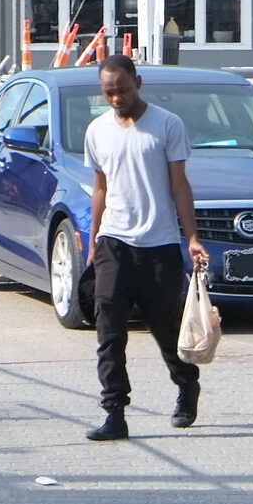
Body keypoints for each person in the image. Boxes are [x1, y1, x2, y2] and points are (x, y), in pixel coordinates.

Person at [83, 54, 208, 442]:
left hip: (159, 244)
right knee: (109, 333)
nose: (116, 98)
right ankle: (114, 412)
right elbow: (100, 188)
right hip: (113, 244)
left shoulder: (167, 125)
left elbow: (179, 186)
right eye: (109, 92)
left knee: (167, 329)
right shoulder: (97, 131)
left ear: (138, 82)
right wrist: (93, 241)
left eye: (122, 89)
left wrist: (191, 237)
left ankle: (187, 385)